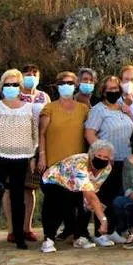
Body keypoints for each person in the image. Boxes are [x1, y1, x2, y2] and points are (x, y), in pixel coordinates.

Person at [0, 69, 39, 251]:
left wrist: (33, 158)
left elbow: (34, 136)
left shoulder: (29, 109)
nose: (11, 87)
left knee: (18, 199)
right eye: (7, 84)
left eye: (15, 85)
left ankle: (19, 237)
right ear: (1, 87)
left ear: (20, 87)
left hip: (21, 160)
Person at [38, 70, 91, 239]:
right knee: (54, 202)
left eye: (70, 83)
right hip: (55, 164)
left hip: (77, 165)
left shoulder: (84, 109)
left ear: (75, 86)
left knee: (79, 203)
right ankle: (48, 237)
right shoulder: (49, 108)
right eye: (62, 83)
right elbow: (42, 133)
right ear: (57, 86)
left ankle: (79, 234)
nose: (66, 86)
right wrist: (41, 156)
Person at [83, 75, 133, 244]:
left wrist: (129, 112)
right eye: (109, 89)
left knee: (116, 197)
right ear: (103, 92)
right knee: (103, 196)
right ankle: (100, 233)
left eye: (116, 88)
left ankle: (113, 229)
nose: (113, 92)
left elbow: (131, 128)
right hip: (107, 161)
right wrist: (103, 153)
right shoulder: (98, 110)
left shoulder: (122, 107)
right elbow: (89, 133)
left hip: (125, 159)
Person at [38, 141, 114, 252]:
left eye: (105, 157)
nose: (102, 159)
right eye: (99, 155)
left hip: (74, 186)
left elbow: (92, 191)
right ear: (92, 154)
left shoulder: (107, 169)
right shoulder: (81, 163)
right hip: (53, 181)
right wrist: (103, 220)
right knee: (61, 200)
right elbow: (90, 194)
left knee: (87, 204)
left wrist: (92, 204)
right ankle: (48, 239)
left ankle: (79, 236)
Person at [7, 64, 49, 243]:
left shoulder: (43, 96)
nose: (31, 76)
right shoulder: (14, 93)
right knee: (11, 188)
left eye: (35, 73)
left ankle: (27, 227)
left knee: (29, 189)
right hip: (15, 146)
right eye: (27, 74)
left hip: (36, 146)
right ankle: (11, 229)